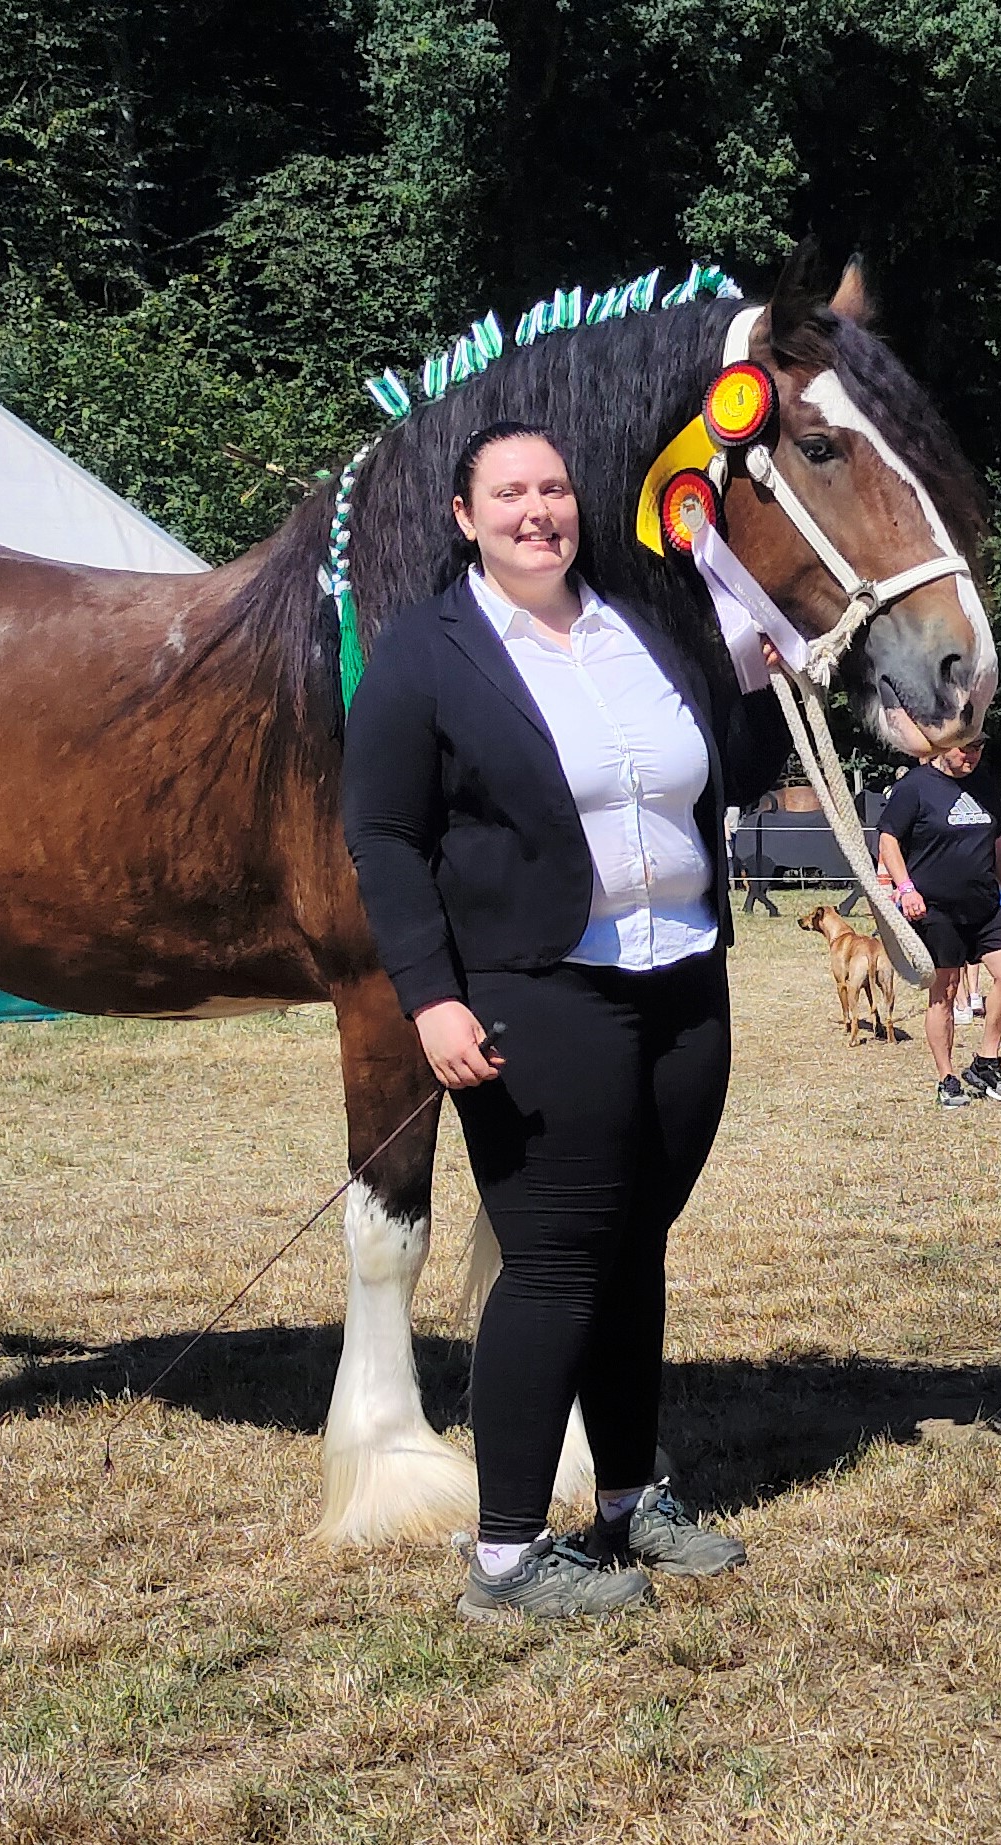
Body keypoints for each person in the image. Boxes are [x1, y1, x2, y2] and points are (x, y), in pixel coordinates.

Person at [343, 420, 772, 1625]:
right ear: (465, 519)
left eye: (555, 488)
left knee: (636, 1248)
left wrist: (760, 670)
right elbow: (383, 835)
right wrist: (431, 994)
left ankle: (633, 1495)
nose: (540, 510)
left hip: (682, 978)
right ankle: (507, 1558)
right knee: (554, 1263)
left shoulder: (642, 625)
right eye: (510, 493)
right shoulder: (428, 656)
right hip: (540, 986)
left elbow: (717, 757)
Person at [877, 736, 1001, 1104]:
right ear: (945, 746)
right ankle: (947, 1078)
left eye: (978, 748)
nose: (971, 756)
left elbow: (998, 843)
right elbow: (888, 839)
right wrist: (906, 888)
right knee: (944, 990)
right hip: (935, 907)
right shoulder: (915, 786)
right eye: (965, 749)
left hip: (985, 903)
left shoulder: (983, 782)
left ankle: (986, 1060)